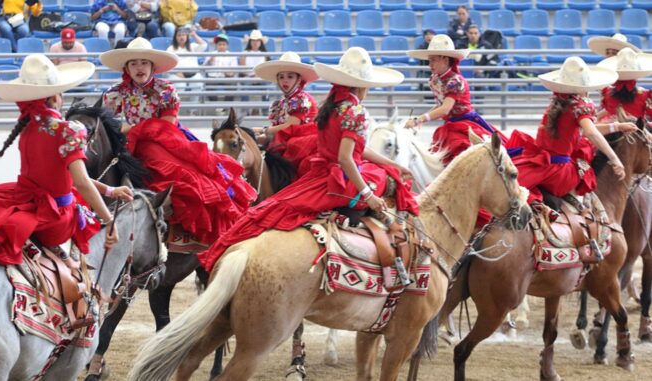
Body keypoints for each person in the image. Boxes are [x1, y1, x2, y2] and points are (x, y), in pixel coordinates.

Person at [200, 47, 417, 272]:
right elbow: (346, 158)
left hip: (319, 171)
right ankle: (391, 249)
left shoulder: (330, 106)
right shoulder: (355, 111)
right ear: (362, 86)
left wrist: (392, 163)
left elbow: (356, 151)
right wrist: (369, 195)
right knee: (386, 180)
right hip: (340, 178)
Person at [0, 54, 133, 266]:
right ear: (56, 96)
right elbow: (81, 182)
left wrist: (110, 191)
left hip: (25, 199)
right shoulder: (69, 130)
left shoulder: (28, 126)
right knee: (88, 224)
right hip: (54, 216)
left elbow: (68, 176)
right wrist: (109, 219)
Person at [100, 38, 256, 244]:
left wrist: (131, 129)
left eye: (144, 62)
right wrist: (127, 132)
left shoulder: (166, 90)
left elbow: (167, 124)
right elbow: (108, 123)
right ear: (126, 68)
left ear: (152, 66)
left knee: (173, 171)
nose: (139, 67)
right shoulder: (116, 92)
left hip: (165, 139)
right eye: (134, 63)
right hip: (132, 141)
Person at [510, 57, 637, 206]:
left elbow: (586, 129)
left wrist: (617, 126)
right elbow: (590, 132)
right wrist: (615, 159)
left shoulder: (558, 103)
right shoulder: (580, 105)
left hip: (541, 164)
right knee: (586, 175)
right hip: (560, 172)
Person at [406, 34, 506, 165]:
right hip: (451, 124)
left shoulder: (455, 81)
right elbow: (440, 105)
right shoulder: (436, 79)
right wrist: (419, 119)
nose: (429, 64)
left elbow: (445, 109)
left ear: (445, 59)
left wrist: (419, 119)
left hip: (464, 124)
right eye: (429, 60)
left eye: (433, 60)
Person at [253, 52, 319, 175]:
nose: (285, 80)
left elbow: (290, 127)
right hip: (287, 141)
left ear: (299, 79)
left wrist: (263, 130)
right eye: (281, 77)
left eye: (290, 77)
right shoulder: (280, 103)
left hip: (304, 144)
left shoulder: (300, 99)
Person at [596, 48, 652, 123]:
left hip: (610, 132)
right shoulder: (645, 95)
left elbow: (605, 112)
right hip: (636, 132)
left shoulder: (606, 91)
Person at [166, 24, 207, 105]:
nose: (181, 37)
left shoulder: (193, 46)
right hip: (178, 75)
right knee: (180, 88)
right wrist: (175, 72)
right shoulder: (171, 49)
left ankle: (192, 111)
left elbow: (204, 45)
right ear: (175, 37)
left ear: (187, 36)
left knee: (198, 85)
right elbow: (167, 63)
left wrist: (194, 35)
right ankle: (177, 110)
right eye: (179, 35)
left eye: (184, 35)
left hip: (194, 74)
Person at [203, 33, 238, 109]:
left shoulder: (231, 55)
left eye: (224, 44)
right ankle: (216, 106)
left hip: (226, 77)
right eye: (220, 44)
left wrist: (228, 73)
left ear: (227, 45)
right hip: (213, 77)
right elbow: (204, 67)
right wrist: (209, 61)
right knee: (209, 87)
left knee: (232, 86)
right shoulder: (211, 54)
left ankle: (226, 107)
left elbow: (234, 69)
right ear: (216, 45)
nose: (222, 46)